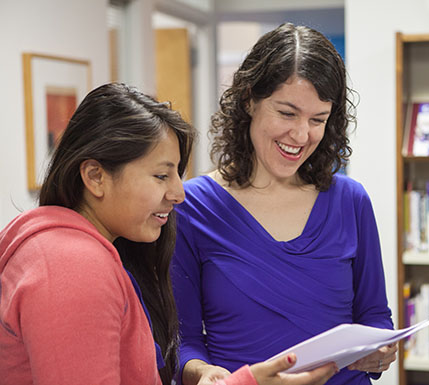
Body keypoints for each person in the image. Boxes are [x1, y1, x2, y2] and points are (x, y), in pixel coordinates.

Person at [0, 82, 337, 385]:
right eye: (161, 176)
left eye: (177, 174)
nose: (179, 193)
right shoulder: (71, 267)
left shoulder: (66, 249)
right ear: (95, 176)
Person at [171, 22, 398, 385]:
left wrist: (380, 351)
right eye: (287, 113)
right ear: (249, 100)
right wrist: (202, 374)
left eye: (318, 120)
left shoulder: (350, 201)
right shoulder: (192, 207)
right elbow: (183, 344)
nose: (301, 135)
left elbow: (374, 317)